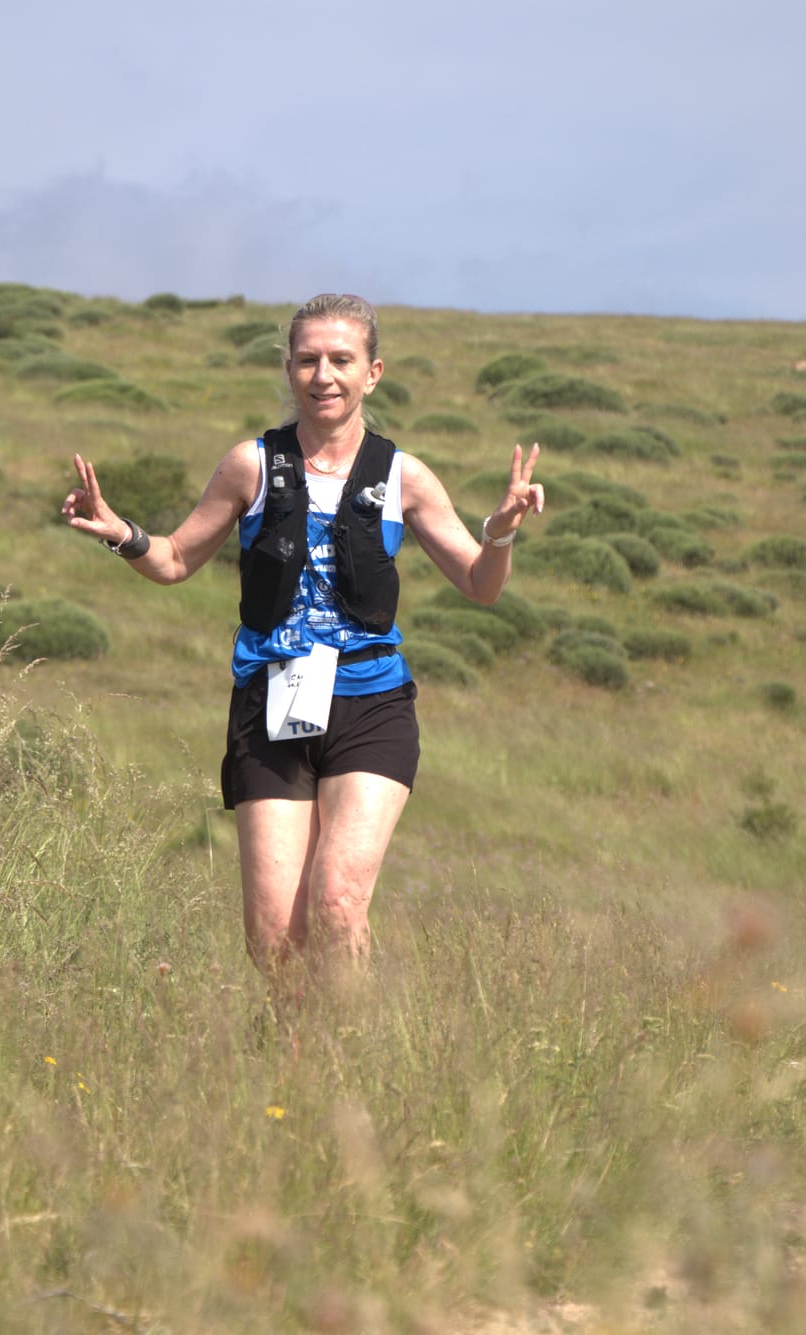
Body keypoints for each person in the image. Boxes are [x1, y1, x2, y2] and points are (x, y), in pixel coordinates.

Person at [61, 293, 543, 992]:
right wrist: (123, 534)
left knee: (339, 901)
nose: (325, 375)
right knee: (273, 939)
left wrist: (499, 531)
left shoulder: (403, 476)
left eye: (342, 360)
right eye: (309, 360)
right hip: (272, 706)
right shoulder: (249, 466)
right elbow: (171, 560)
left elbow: (480, 583)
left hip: (371, 705)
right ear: (288, 369)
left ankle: (352, 1070)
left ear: (372, 372)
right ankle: (300, 1075)